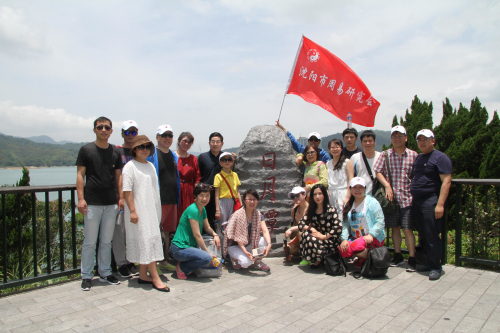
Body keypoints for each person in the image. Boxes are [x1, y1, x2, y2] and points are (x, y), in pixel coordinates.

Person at [76, 116, 123, 291]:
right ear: (95, 130)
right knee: (89, 241)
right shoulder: (86, 150)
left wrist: (121, 198)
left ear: (111, 131)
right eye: (100, 127)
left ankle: (105, 272)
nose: (103, 130)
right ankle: (86, 275)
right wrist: (81, 199)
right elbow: (80, 175)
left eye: (106, 127)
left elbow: (118, 177)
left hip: (111, 203)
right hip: (92, 203)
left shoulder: (115, 152)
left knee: (106, 241)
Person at [122, 135, 169, 292]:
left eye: (147, 147)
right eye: (141, 147)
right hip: (139, 211)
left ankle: (143, 275)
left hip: (151, 209)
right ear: (135, 149)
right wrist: (133, 211)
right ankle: (155, 277)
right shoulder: (130, 166)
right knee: (147, 241)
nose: (144, 150)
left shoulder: (150, 165)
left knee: (149, 239)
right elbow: (126, 190)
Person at [373, 125, 418, 272]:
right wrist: (387, 186)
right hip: (391, 199)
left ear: (406, 138)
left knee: (408, 229)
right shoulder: (385, 154)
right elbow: (378, 172)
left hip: (408, 198)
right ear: (391, 138)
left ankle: (412, 258)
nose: (397, 139)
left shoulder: (413, 155)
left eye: (400, 136)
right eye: (394, 136)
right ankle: (398, 255)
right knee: (395, 229)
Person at [410, 129, 452, 281]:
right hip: (418, 200)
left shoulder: (440, 157)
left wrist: (440, 204)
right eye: (419, 139)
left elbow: (446, 181)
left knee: (432, 234)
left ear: (433, 141)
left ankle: (436, 267)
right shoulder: (420, 157)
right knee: (423, 233)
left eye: (425, 139)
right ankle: (429, 262)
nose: (422, 142)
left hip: (431, 200)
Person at [146, 124, 181, 272]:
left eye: (170, 135)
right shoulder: (152, 154)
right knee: (155, 232)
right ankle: (152, 264)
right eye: (164, 135)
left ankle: (164, 260)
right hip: (158, 199)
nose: (167, 138)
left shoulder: (173, 155)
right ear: (157, 137)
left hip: (172, 198)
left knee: (166, 231)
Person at [170, 183, 221, 280]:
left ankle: (186, 263)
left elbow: (207, 227)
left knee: (206, 257)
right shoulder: (193, 210)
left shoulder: (203, 209)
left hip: (188, 247)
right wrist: (207, 253)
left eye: (207, 196)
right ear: (196, 196)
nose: (204, 199)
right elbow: (197, 235)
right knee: (206, 258)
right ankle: (182, 267)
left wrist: (215, 235)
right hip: (179, 248)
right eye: (201, 196)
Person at [339, 177, 386, 268]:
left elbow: (380, 221)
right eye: (355, 187)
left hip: (372, 238)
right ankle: (361, 257)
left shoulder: (372, 202)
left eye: (361, 187)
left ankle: (367, 257)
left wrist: (371, 235)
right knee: (343, 250)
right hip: (355, 237)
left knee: (356, 245)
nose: (358, 190)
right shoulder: (348, 204)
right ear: (351, 189)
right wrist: (344, 239)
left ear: (365, 188)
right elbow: (345, 224)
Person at [114, 120, 140, 278]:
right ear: (122, 133)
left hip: (137, 198)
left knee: (133, 231)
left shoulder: (139, 151)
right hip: (123, 198)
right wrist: (121, 197)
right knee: (120, 231)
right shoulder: (117, 151)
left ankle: (131, 260)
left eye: (134, 132)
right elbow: (118, 176)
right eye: (128, 132)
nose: (131, 135)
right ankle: (121, 263)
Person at [223, 189, 272, 271]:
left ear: (257, 201)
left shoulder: (258, 215)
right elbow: (238, 238)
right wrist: (245, 252)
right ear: (244, 201)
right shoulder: (238, 215)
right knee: (246, 263)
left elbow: (265, 231)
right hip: (235, 246)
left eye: (254, 199)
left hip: (249, 244)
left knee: (264, 241)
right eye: (249, 199)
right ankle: (234, 258)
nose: (252, 202)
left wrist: (269, 244)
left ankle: (257, 262)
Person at [298, 184, 342, 268]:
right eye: (315, 194)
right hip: (317, 239)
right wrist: (311, 228)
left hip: (329, 240)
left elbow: (338, 227)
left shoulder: (331, 210)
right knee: (305, 234)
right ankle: (318, 259)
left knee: (310, 237)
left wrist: (324, 236)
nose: (317, 196)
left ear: (324, 195)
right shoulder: (312, 211)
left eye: (320, 194)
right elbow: (301, 224)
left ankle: (324, 257)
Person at [198, 133, 225, 230]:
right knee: (205, 218)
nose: (215, 144)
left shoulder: (225, 158)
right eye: (213, 141)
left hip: (221, 193)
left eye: (218, 141)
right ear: (209, 143)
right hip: (205, 193)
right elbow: (198, 175)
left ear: (222, 143)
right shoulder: (202, 157)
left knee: (221, 219)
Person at [175, 132, 201, 222]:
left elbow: (197, 177)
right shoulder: (172, 156)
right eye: (184, 141)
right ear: (178, 141)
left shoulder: (193, 158)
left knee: (189, 214)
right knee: (175, 214)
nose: (186, 144)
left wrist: (196, 195)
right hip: (175, 189)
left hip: (189, 190)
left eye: (189, 142)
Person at [214, 152, 242, 226]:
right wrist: (217, 210)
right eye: (224, 160)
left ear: (232, 162)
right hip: (223, 202)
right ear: (220, 162)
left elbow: (237, 191)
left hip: (234, 202)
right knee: (222, 224)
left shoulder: (235, 175)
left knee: (234, 224)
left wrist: (241, 204)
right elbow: (216, 194)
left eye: (229, 159)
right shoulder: (218, 176)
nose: (227, 162)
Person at [326, 139, 354, 212]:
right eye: (332, 147)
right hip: (331, 194)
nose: (335, 149)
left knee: (343, 215)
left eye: (337, 147)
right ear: (329, 149)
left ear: (341, 148)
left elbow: (351, 180)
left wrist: (348, 197)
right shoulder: (328, 163)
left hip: (343, 193)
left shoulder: (347, 162)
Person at [350, 130, 382, 195]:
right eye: (365, 141)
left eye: (370, 141)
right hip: (360, 194)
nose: (368, 143)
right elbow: (350, 176)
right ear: (361, 143)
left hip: (377, 194)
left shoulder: (381, 156)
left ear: (374, 142)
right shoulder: (355, 157)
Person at [283, 187, 309, 263]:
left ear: (304, 195)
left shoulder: (310, 208)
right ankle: (302, 253)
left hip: (309, 234)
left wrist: (292, 229)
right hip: (297, 235)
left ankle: (306, 258)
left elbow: (309, 226)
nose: (295, 198)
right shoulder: (295, 210)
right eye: (293, 197)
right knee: (287, 247)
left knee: (302, 233)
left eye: (297, 195)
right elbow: (294, 224)